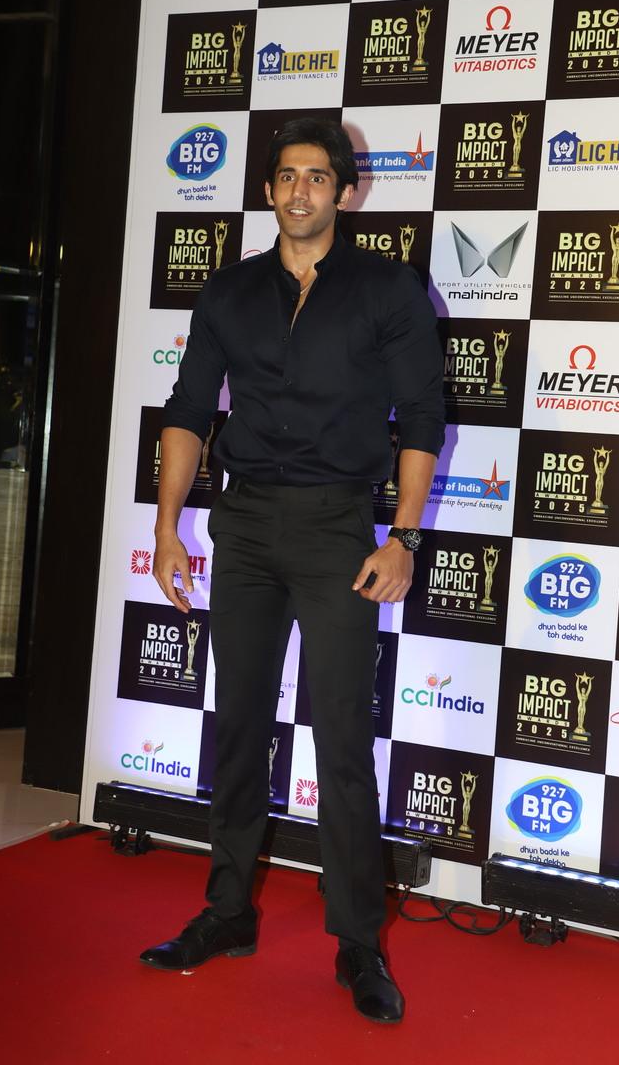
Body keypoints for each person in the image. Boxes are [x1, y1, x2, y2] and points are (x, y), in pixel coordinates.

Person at [142, 117, 444, 1024]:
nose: (300, 190)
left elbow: (421, 419)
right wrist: (166, 526)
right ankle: (228, 913)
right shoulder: (229, 291)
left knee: (342, 739)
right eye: (286, 176)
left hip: (338, 528)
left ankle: (358, 945)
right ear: (269, 189)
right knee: (238, 726)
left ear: (345, 192)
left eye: (317, 176)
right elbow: (189, 409)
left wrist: (403, 538)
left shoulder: (388, 289)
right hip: (242, 526)